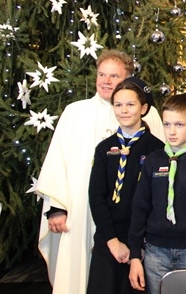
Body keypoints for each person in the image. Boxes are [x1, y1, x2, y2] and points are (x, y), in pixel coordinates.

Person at [36, 50, 164, 294]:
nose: (106, 81)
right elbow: (57, 158)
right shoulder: (75, 111)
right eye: (102, 74)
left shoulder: (150, 114)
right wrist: (57, 208)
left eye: (114, 76)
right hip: (80, 209)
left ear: (128, 79)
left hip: (131, 217)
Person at [128, 94, 186, 294]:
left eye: (179, 125)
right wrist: (135, 255)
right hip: (155, 252)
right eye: (167, 124)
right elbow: (139, 208)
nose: (171, 132)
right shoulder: (153, 161)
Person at [87, 77, 165, 294]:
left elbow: (157, 202)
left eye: (130, 104)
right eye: (118, 105)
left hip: (143, 243)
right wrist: (112, 242)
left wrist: (137, 248)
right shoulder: (104, 148)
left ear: (143, 108)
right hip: (109, 239)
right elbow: (96, 196)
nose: (124, 110)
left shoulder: (157, 150)